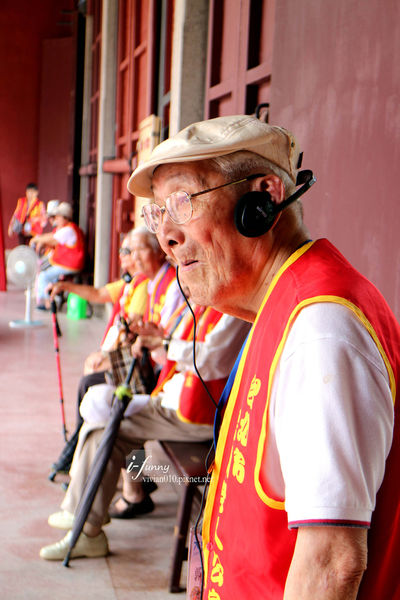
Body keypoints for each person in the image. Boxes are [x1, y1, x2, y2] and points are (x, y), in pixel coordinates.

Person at [124, 114, 400, 599]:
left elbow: (331, 564)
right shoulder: (278, 305)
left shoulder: (319, 332)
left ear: (264, 198)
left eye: (183, 203)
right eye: (157, 213)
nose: (166, 235)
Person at [39, 298, 250, 560]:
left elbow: (210, 360)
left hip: (197, 414)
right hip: (175, 398)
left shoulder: (233, 311)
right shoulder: (203, 305)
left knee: (105, 428)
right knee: (104, 418)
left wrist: (165, 344)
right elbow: (176, 352)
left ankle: (86, 524)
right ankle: (122, 498)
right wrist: (156, 340)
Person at [48, 228, 150, 478]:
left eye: (128, 251)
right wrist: (65, 286)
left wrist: (107, 359)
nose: (123, 257)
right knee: (90, 387)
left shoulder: (146, 285)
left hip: (139, 369)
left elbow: (134, 329)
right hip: (128, 362)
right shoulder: (132, 283)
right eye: (123, 251)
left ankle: (131, 479)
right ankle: (84, 454)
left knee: (95, 392)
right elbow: (97, 294)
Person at [29, 202, 85, 310]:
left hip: (70, 264)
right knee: (43, 269)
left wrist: (36, 239)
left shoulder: (68, 230)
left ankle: (47, 303)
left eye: (58, 217)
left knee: (43, 275)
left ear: (65, 217)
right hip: (68, 263)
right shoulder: (67, 228)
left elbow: (52, 238)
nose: (56, 219)